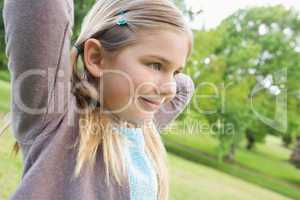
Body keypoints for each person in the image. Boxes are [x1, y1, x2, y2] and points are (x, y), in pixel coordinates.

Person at [2, 0, 195, 199]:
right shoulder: (57, 118)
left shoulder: (143, 128)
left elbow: (184, 87)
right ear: (95, 58)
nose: (170, 89)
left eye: (175, 72)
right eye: (155, 65)